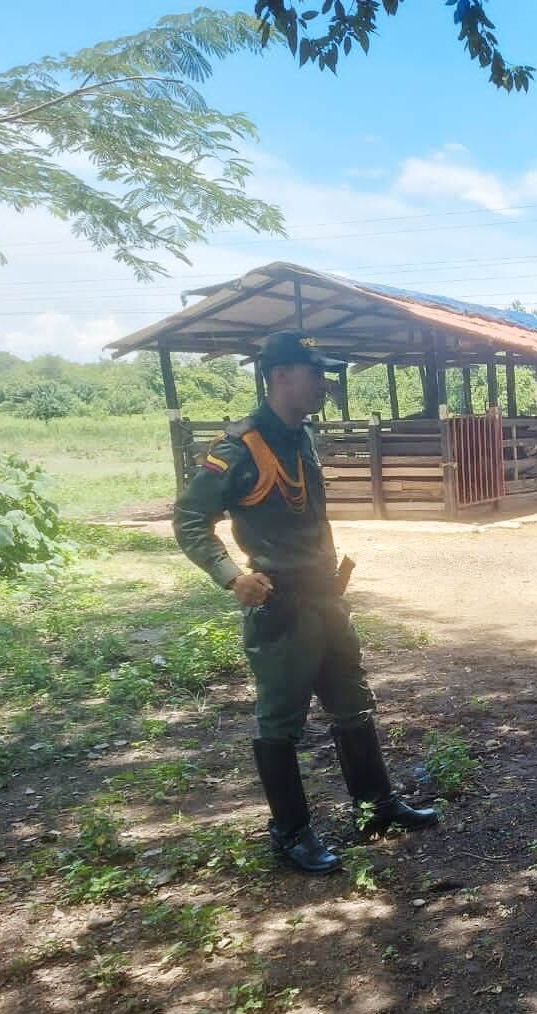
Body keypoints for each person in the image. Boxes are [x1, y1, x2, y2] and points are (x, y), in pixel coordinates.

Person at [172, 330, 439, 875]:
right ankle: (290, 833)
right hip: (282, 609)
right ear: (280, 376)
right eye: (315, 373)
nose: (324, 383)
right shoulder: (239, 449)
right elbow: (189, 518)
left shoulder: (302, 437)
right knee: (280, 723)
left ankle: (376, 809)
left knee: (352, 704)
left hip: (325, 600)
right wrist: (229, 576)